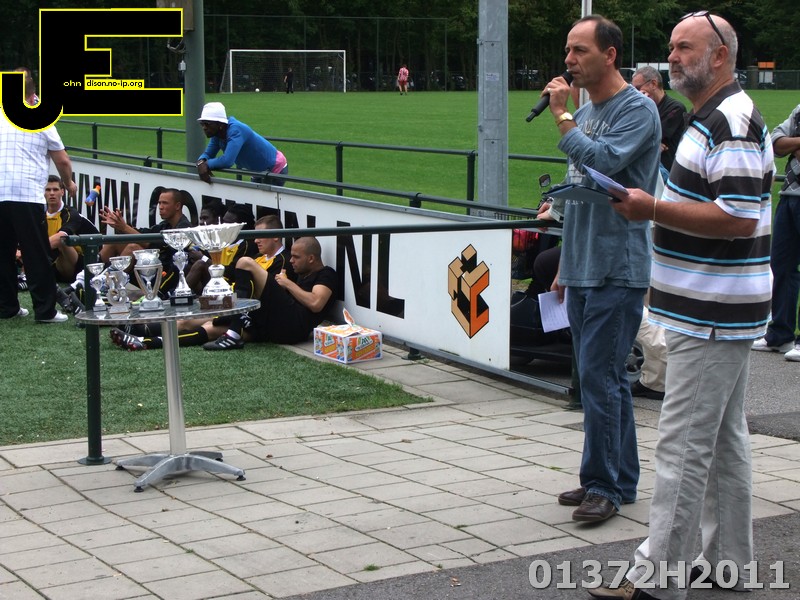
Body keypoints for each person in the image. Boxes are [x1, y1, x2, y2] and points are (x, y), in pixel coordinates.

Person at [589, 13, 774, 600]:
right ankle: (728, 564)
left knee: (683, 446)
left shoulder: (730, 121)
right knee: (720, 443)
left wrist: (651, 208)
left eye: (684, 47)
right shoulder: (714, 116)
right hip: (714, 307)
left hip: (713, 311)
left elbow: (738, 219)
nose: (672, 57)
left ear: (719, 55)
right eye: (671, 46)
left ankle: (656, 579)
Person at [541, 14, 661, 523]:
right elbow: (580, 191)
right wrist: (565, 264)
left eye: (580, 51)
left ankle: (603, 486)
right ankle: (617, 478)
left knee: (599, 377)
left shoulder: (637, 110)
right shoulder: (586, 110)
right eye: (568, 50)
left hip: (618, 267)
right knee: (601, 378)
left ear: (610, 55)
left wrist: (562, 118)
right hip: (584, 264)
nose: (569, 60)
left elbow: (605, 162)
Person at [1, 114, 76, 323]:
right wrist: (68, 183)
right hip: (27, 194)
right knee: (36, 253)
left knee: (2, 253)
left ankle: (7, 307)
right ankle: (45, 311)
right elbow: (62, 160)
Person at [751, 102, 800, 361]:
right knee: (781, 266)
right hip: (790, 195)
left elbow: (784, 144)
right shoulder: (799, 110)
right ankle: (780, 335)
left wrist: (793, 143)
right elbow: (775, 143)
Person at [99, 188, 191, 298]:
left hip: (164, 278)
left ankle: (105, 285)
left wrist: (124, 227)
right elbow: (143, 233)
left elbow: (154, 244)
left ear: (177, 206)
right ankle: (90, 277)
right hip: (148, 269)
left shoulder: (184, 227)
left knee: (133, 248)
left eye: (165, 203)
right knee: (117, 241)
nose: (160, 207)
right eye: (159, 203)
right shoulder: (165, 225)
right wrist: (121, 226)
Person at [196, 102, 288, 187]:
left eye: (207, 124)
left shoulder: (236, 130)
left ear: (220, 124)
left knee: (264, 199)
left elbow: (227, 161)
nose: (204, 127)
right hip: (257, 171)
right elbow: (208, 154)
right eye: (202, 124)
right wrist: (200, 163)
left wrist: (207, 164)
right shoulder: (217, 134)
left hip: (274, 168)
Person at [632, 65, 688, 178]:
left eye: (638, 88)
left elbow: (647, 136)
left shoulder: (675, 108)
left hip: (666, 172)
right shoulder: (641, 107)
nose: (635, 94)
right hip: (648, 169)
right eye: (633, 90)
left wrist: (646, 143)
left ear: (653, 84)